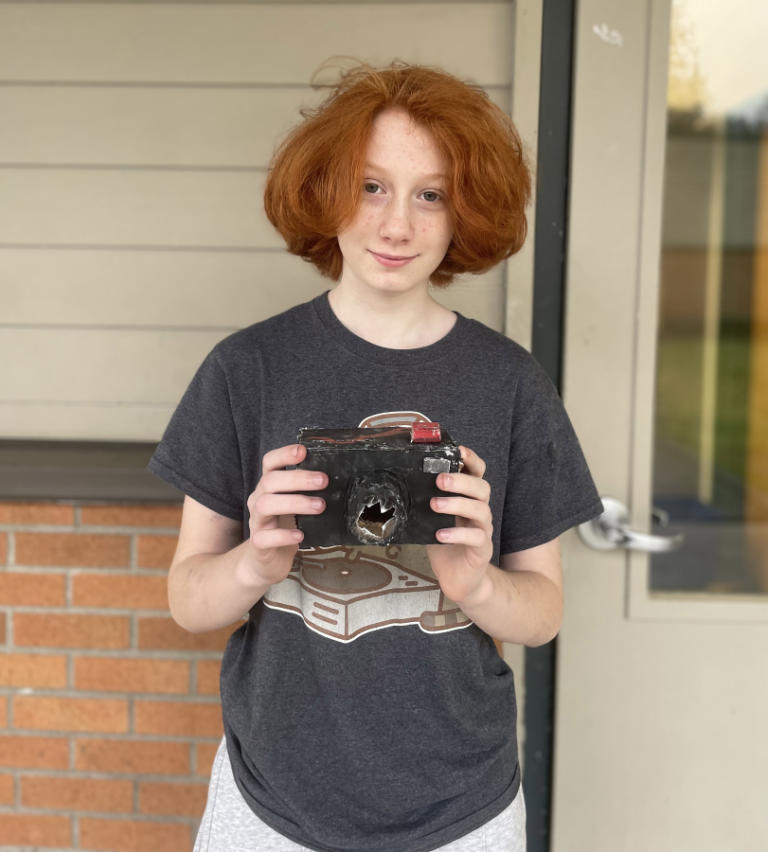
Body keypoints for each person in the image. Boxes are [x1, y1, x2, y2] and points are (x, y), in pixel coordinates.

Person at [149, 62, 602, 852]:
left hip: (462, 804)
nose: (397, 226)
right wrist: (255, 563)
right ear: (325, 191)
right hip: (271, 803)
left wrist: (474, 581)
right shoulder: (246, 369)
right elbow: (189, 600)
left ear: (466, 211)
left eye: (431, 194)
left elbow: (543, 613)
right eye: (370, 186)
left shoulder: (509, 383)